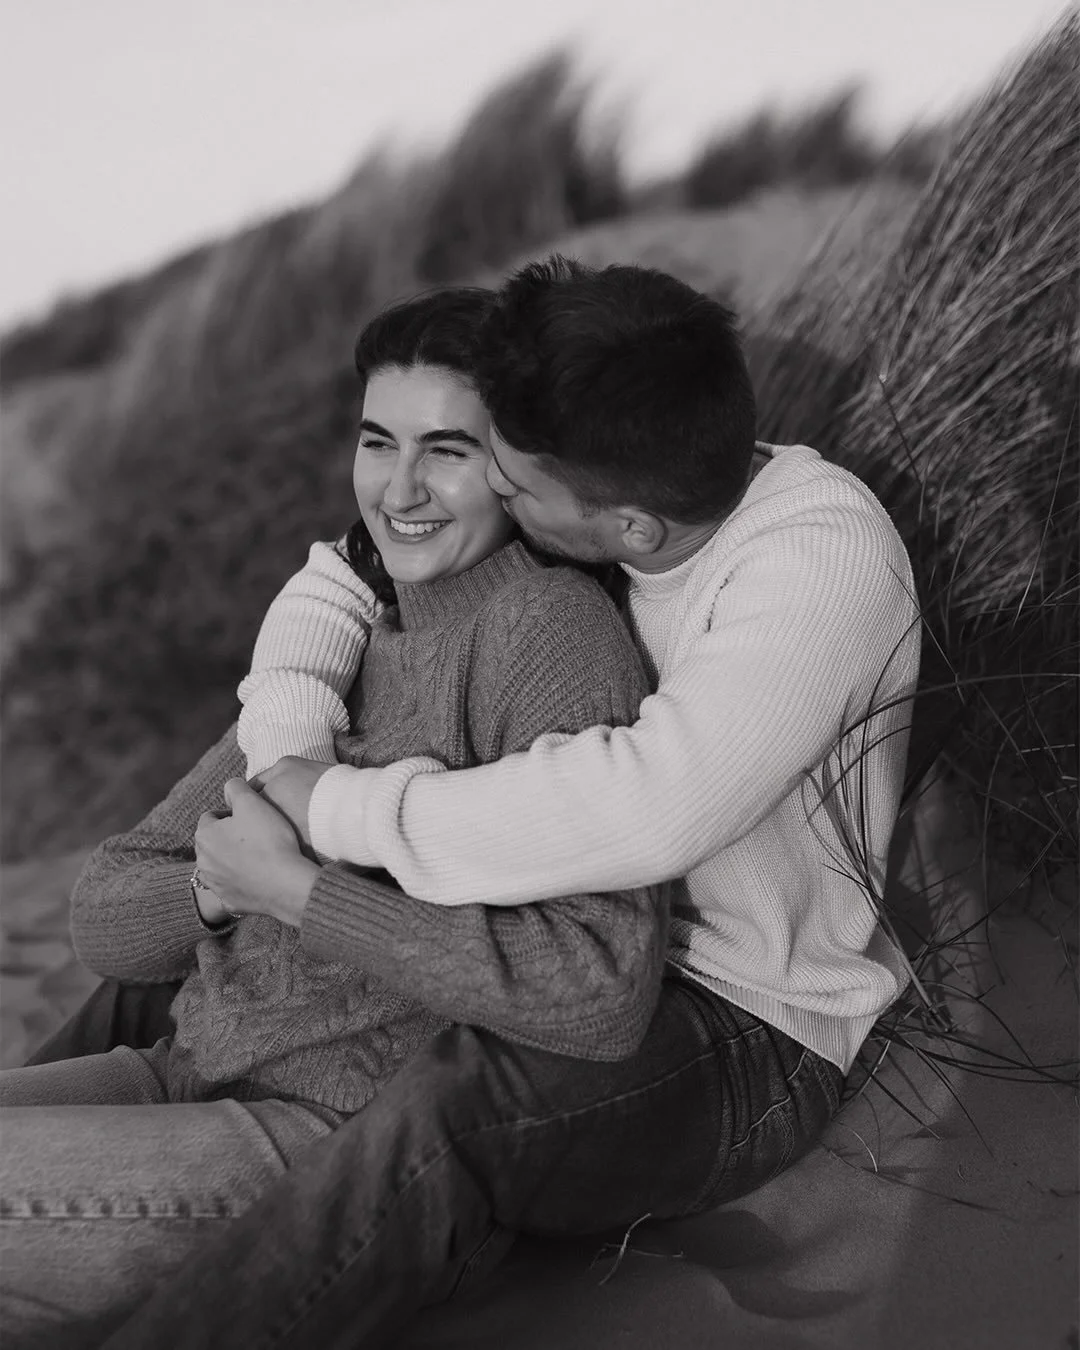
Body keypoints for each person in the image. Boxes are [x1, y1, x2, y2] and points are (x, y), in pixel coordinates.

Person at [59, 256, 915, 1350]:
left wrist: (321, 825)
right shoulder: (611, 501)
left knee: (447, 1113)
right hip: (585, 946)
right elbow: (362, 557)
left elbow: (645, 808)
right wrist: (322, 624)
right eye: (381, 445)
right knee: (158, 984)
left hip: (737, 1015)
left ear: (628, 531)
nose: (465, 493)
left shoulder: (812, 561)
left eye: (502, 479)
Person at [0, 285, 666, 1348]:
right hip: (180, 1077)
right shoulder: (336, 644)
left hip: (325, 1147)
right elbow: (105, 914)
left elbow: (599, 985)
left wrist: (301, 895)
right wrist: (220, 888)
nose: (400, 488)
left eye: (446, 449)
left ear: (519, 467)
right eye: (376, 441)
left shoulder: (546, 633)